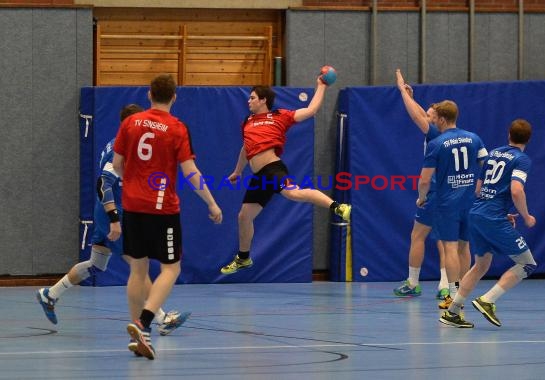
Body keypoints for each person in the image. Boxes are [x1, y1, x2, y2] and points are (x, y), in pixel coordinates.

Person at [36, 104, 190, 338]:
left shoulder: (118, 142)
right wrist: (114, 219)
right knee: (138, 265)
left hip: (108, 210)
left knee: (96, 264)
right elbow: (103, 183)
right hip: (114, 212)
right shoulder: (120, 148)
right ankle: (160, 318)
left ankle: (51, 294)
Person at [113, 74, 223, 360]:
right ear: (174, 97)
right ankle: (144, 322)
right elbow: (190, 172)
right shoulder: (177, 128)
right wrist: (212, 203)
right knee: (170, 269)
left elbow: (117, 165)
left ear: (149, 94)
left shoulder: (130, 123)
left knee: (137, 270)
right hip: (162, 209)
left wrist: (133, 186)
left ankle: (141, 336)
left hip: (132, 205)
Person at [220, 74, 351, 275]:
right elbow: (246, 148)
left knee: (293, 194)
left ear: (263, 100)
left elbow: (311, 110)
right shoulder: (247, 121)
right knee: (244, 217)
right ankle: (243, 258)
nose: (249, 101)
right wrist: (238, 171)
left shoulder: (280, 116)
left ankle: (338, 207)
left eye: (253, 97)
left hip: (273, 169)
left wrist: (321, 85)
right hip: (258, 177)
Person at [440, 119, 536, 328]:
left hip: (477, 213)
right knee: (527, 264)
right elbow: (516, 190)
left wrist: (502, 212)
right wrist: (526, 217)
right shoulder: (522, 160)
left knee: (481, 265)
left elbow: (478, 188)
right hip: (492, 217)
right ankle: (488, 300)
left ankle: (453, 312)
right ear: (528, 139)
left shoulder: (493, 153)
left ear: (508, 135)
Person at [417, 100, 488, 309]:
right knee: (464, 246)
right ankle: (463, 293)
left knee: (449, 248)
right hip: (469, 201)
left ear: (441, 119)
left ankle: (454, 294)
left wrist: (422, 197)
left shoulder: (436, 143)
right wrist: (479, 186)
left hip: (447, 203)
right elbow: (486, 164)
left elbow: (424, 179)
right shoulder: (474, 138)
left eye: (435, 118)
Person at [392, 69, 449, 299]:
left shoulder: (435, 134)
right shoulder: (458, 134)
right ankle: (445, 285)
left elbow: (417, 118)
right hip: (452, 193)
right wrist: (411, 96)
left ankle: (413, 282)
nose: (426, 115)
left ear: (438, 120)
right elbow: (422, 115)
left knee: (418, 236)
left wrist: (401, 92)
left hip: (434, 191)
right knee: (446, 241)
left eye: (430, 114)